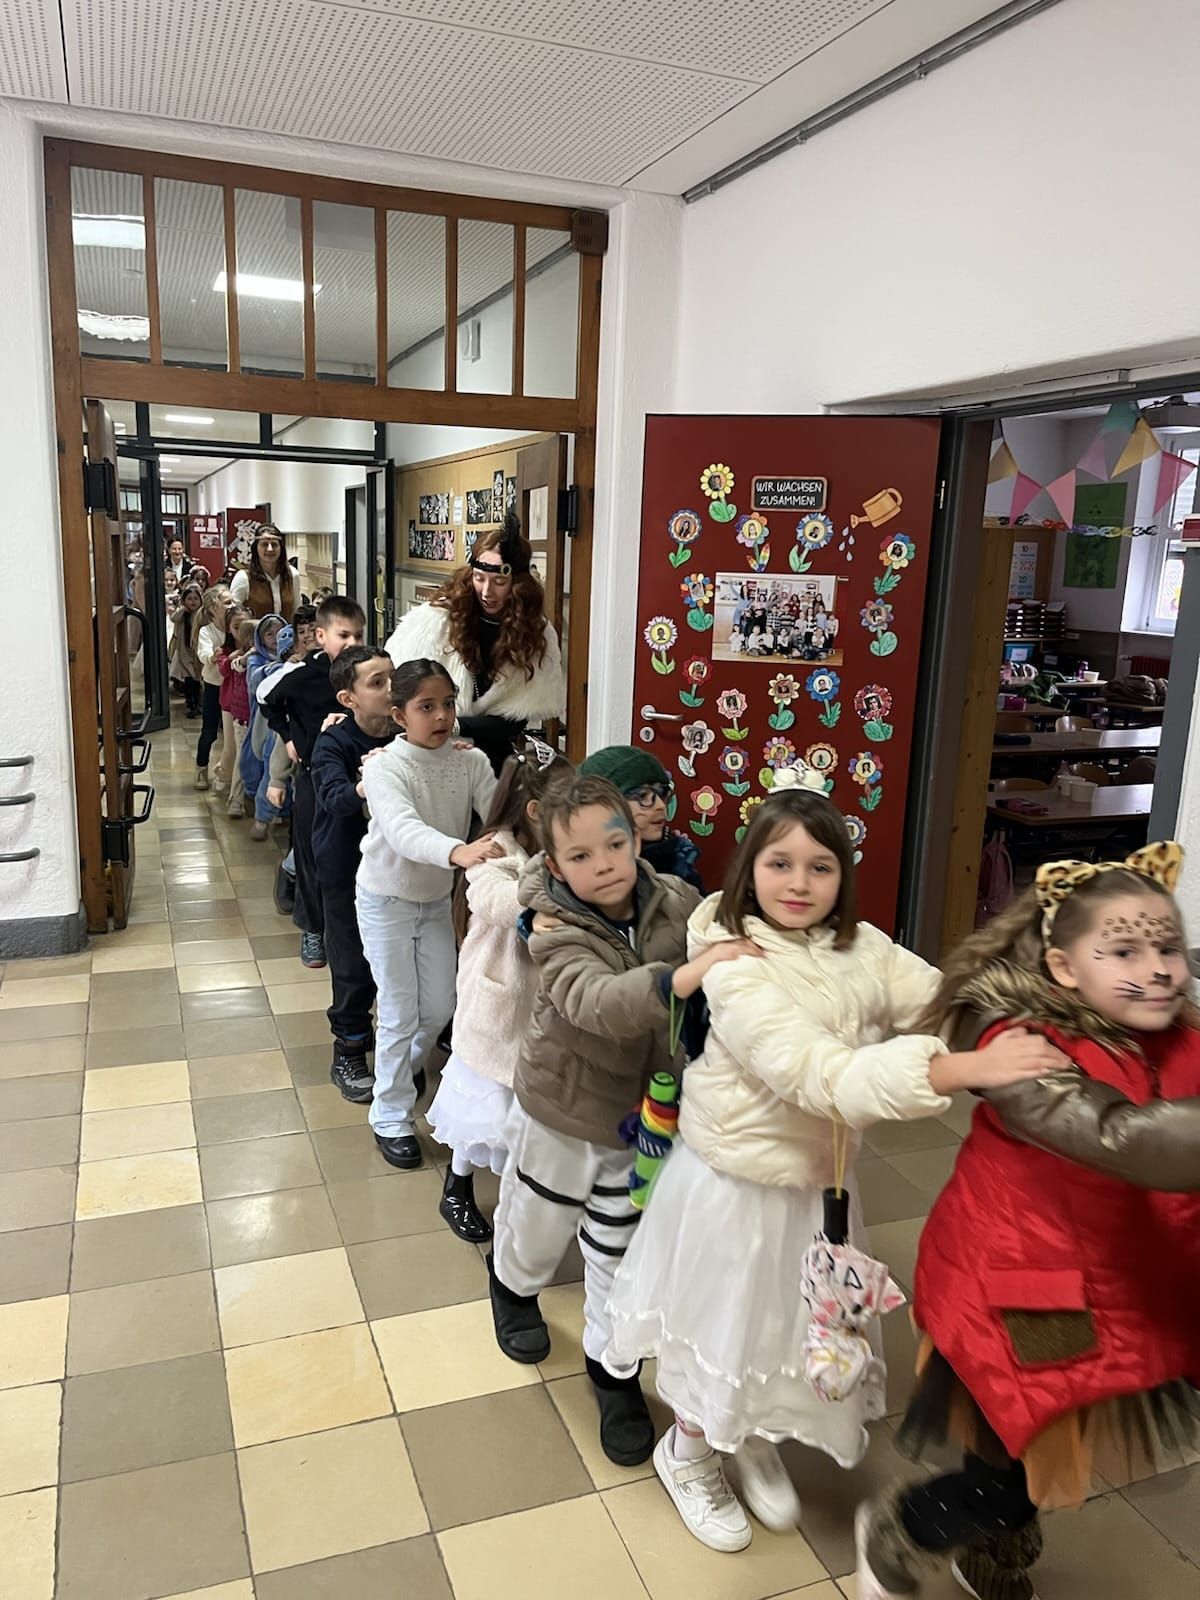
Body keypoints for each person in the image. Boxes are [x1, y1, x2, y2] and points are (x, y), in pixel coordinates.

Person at [604, 766, 1068, 1554]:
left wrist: (1034, 1011)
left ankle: (747, 1430)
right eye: (780, 863)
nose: (799, 883)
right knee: (725, 1324)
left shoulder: (861, 945)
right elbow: (817, 1074)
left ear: (842, 877)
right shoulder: (734, 961)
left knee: (789, 1328)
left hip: (819, 1188)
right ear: (748, 868)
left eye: (820, 866)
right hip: (736, 1189)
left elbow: (942, 998)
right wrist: (961, 1069)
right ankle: (688, 1450)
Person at [855, 846, 1200, 1600]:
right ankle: (910, 1526)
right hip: (1025, 1294)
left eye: (1169, 949)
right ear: (1064, 967)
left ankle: (990, 1551)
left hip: (1114, 1285)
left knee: (1040, 1436)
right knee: (1026, 1440)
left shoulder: (1180, 1040)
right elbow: (1122, 1136)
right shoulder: (1028, 1054)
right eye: (1125, 952)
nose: (1158, 970)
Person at [487, 774, 754, 1470]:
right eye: (581, 856)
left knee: (619, 1247)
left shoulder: (680, 901)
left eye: (614, 844)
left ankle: (613, 1370)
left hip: (648, 1118)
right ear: (554, 867)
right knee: (538, 1224)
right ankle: (512, 1286)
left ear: (637, 839)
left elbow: (727, 940)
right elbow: (596, 1002)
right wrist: (680, 979)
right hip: (565, 1112)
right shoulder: (553, 930)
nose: (603, 864)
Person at [428, 736, 573, 1242]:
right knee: (483, 1107)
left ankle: (523, 1197)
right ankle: (457, 1185)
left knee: (528, 1111)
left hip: (542, 1010)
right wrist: (552, 889)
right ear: (535, 811)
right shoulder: (493, 853)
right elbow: (498, 902)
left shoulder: (561, 850)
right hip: (497, 1007)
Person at [357, 659, 499, 1170]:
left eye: (448, 704)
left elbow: (499, 812)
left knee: (439, 1007)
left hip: (436, 900)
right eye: (426, 707)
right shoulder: (383, 767)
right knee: (399, 1011)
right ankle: (390, 1116)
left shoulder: (468, 760)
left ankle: (402, 1068)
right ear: (399, 715)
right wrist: (460, 851)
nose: (441, 716)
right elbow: (402, 831)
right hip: (385, 900)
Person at [384, 511, 564, 775]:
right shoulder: (436, 620)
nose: (487, 592)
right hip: (430, 755)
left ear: (519, 584)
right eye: (479, 578)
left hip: (491, 761)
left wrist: (457, 726)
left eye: (499, 581)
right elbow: (396, 688)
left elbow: (515, 719)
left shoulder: (535, 633)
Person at [310, 646, 398, 1105]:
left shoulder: (406, 734)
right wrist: (371, 781)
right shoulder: (334, 742)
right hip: (345, 868)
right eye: (377, 683)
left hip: (397, 870)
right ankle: (349, 1048)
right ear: (349, 699)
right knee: (352, 963)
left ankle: (401, 1044)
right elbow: (335, 798)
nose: (391, 689)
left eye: (393, 677)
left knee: (400, 961)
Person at [260, 595, 366, 967]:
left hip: (355, 780)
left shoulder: (368, 672)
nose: (352, 644)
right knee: (310, 853)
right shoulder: (302, 673)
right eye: (343, 636)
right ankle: (312, 928)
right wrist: (289, 737)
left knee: (351, 854)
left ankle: (353, 927)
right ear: (321, 636)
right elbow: (266, 699)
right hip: (313, 778)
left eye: (358, 635)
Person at [579, 747, 701, 890]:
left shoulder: (679, 857)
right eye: (643, 796)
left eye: (662, 793)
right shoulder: (588, 873)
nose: (661, 806)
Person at [240, 613, 287, 841]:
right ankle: (261, 815)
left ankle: (283, 813)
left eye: (280, 633)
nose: (275, 638)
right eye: (269, 634)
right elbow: (255, 682)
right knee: (267, 765)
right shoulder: (256, 660)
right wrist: (277, 668)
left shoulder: (295, 657)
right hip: (265, 722)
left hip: (287, 722)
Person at [194, 584, 232, 790]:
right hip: (214, 686)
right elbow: (203, 653)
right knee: (209, 732)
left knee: (233, 733)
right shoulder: (206, 631)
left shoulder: (235, 626)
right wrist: (212, 656)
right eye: (227, 603)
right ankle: (201, 768)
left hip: (233, 687)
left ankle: (228, 771)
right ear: (213, 608)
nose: (232, 606)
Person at [217, 616, 255, 819]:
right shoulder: (240, 658)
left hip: (261, 717)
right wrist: (244, 655)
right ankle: (236, 799)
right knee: (239, 755)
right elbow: (232, 666)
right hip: (242, 716)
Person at [231, 524, 297, 619]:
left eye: (274, 544)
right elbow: (233, 616)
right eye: (264, 544)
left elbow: (296, 611)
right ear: (256, 548)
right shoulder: (244, 577)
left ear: (281, 548)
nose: (270, 549)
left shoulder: (293, 575)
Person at [170, 581, 205, 718]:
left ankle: (198, 703)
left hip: (197, 651)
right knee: (188, 678)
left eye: (196, 598)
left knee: (197, 678)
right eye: (189, 599)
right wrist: (183, 609)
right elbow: (174, 618)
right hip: (185, 651)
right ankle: (190, 704)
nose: (193, 601)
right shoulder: (182, 615)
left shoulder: (202, 615)